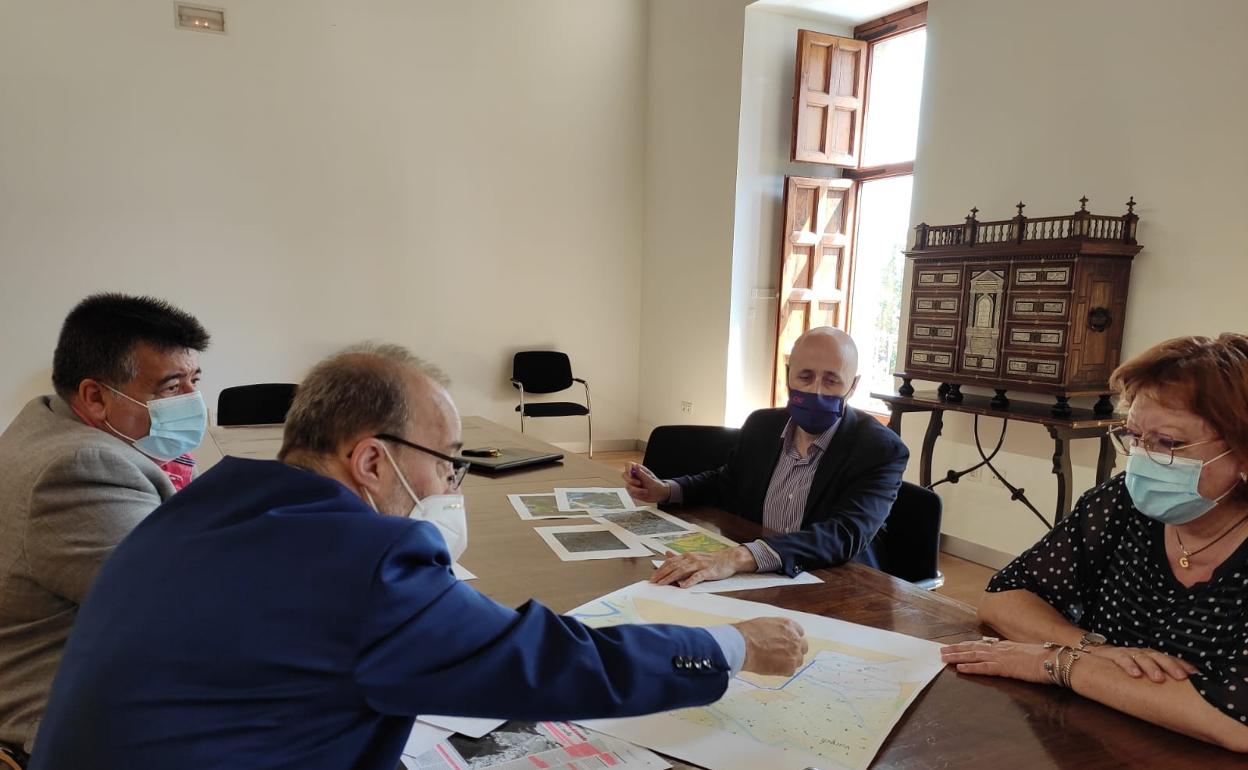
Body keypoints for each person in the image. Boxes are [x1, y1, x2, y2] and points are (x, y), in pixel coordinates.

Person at [30, 344, 808, 770]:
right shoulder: (366, 560)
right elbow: (555, 663)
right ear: (371, 461)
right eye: (447, 462)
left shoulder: (206, 504)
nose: (448, 486)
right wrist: (728, 643)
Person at [940, 334, 1248, 752]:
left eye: (1168, 444)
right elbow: (1004, 596)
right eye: (1135, 438)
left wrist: (1057, 663)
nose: (1141, 459)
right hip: (1094, 738)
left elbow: (1235, 720)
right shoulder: (1122, 503)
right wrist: (1090, 648)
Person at [0, 293, 209, 765]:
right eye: (172, 386)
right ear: (94, 396)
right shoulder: (83, 465)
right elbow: (178, 611)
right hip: (68, 732)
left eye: (195, 381)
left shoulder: (43, 423)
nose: (193, 402)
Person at [626, 327, 909, 588]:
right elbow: (727, 482)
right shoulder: (762, 426)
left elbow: (844, 534)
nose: (816, 391)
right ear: (788, 374)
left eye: (832, 380)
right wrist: (667, 490)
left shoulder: (880, 449)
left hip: (834, 583)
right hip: (756, 578)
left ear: (853, 386)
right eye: (805, 377)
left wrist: (737, 557)